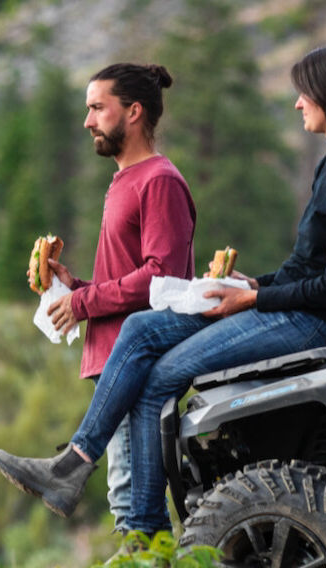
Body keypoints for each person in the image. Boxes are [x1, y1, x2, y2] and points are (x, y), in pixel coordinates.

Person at [0, 43, 326, 536]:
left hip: (312, 322)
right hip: (289, 308)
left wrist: (252, 299)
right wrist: (253, 283)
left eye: (304, 92)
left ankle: (76, 466)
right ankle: (122, 510)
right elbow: (306, 265)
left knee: (147, 343)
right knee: (150, 361)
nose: (297, 102)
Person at [43, 63, 196, 534]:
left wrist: (85, 305)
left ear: (133, 112)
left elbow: (162, 278)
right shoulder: (123, 181)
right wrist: (78, 290)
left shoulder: (159, 180)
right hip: (113, 362)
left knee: (132, 499)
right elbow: (131, 278)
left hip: (139, 364)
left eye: (96, 108)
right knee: (128, 497)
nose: (88, 121)